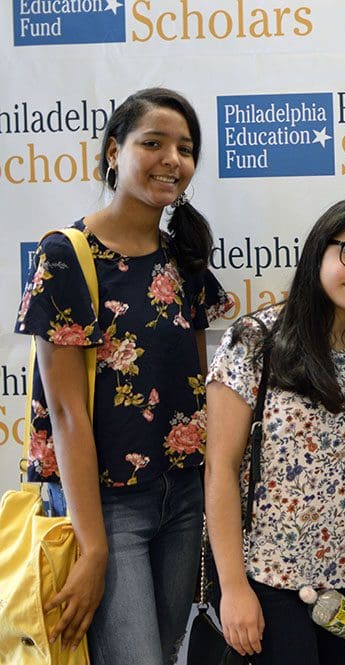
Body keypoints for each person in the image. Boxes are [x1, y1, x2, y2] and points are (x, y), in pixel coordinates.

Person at [14, 87, 233, 663]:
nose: (173, 160)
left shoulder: (182, 259)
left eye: (185, 149)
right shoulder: (67, 254)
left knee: (160, 653)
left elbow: (197, 390)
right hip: (106, 506)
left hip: (183, 496)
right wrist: (92, 548)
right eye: (153, 143)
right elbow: (65, 413)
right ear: (115, 151)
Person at [205, 198, 345, 664]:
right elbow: (220, 467)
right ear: (320, 250)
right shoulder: (255, 341)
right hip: (266, 584)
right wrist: (233, 587)